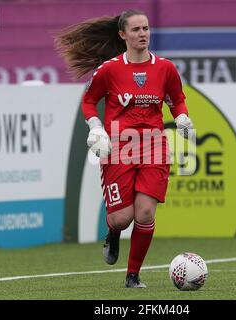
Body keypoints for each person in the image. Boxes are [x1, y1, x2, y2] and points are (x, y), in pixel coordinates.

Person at [55, 9, 194, 288]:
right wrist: (96, 127)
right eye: (136, 30)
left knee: (144, 214)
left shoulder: (165, 68)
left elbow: (177, 99)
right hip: (119, 148)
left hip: (154, 146)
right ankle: (113, 233)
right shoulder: (109, 70)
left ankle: (133, 275)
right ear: (123, 35)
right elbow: (88, 101)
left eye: (145, 29)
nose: (142, 34)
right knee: (121, 218)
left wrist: (180, 115)